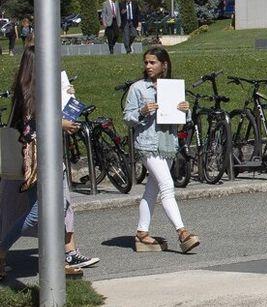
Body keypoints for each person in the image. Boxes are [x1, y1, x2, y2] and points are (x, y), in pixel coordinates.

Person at [0, 43, 99, 279]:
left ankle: (57, 260)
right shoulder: (30, 92)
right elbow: (37, 122)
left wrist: (67, 98)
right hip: (39, 159)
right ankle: (2, 250)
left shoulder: (40, 88)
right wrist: (61, 122)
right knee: (41, 211)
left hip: (49, 157)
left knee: (57, 207)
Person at [123, 46, 200, 252]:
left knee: (152, 189)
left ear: (163, 65)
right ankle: (182, 233)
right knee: (167, 186)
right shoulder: (138, 88)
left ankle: (142, 233)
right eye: (146, 62)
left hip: (168, 144)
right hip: (148, 145)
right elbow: (127, 118)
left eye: (152, 62)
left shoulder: (172, 88)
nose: (148, 66)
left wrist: (186, 110)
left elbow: (184, 120)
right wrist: (142, 111)